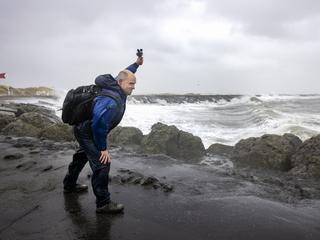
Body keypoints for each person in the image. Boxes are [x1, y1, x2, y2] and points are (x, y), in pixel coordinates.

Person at [63, 54, 143, 214]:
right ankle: (103, 203)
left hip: (84, 128)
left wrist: (136, 64)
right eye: (131, 84)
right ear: (120, 83)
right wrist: (102, 148)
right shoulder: (111, 101)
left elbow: (125, 72)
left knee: (82, 155)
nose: (133, 87)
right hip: (88, 131)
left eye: (134, 83)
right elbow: (99, 124)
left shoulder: (115, 84)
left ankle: (69, 186)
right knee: (102, 163)